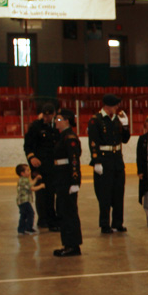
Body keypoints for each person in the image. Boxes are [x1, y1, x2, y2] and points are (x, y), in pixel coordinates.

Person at [87, 93, 131, 234]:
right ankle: (104, 224)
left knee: (119, 192)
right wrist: (97, 161)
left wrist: (125, 126)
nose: (118, 108)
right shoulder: (96, 120)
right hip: (104, 160)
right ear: (108, 106)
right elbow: (93, 143)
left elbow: (124, 140)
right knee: (104, 194)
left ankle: (118, 222)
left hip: (117, 159)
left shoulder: (117, 119)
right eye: (116, 105)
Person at [23, 102, 59, 231]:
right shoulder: (36, 127)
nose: (46, 118)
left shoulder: (57, 125)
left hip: (54, 165)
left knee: (52, 193)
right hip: (41, 165)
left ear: (54, 114)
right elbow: (28, 145)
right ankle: (44, 219)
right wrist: (32, 157)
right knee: (42, 194)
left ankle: (52, 219)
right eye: (45, 115)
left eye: (49, 116)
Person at [52, 108, 83, 257]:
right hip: (61, 178)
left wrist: (75, 180)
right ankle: (68, 243)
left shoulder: (69, 137)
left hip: (67, 179)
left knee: (69, 212)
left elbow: (74, 160)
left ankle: (72, 245)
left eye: (58, 119)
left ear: (66, 120)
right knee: (63, 211)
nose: (55, 122)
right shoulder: (62, 136)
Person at [15, 163, 43, 234]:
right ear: (22, 173)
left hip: (22, 202)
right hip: (24, 201)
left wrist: (36, 179)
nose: (29, 171)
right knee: (30, 213)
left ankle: (21, 229)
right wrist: (41, 186)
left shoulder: (24, 179)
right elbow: (32, 188)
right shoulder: (24, 180)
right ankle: (28, 228)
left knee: (24, 215)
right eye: (27, 170)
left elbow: (31, 184)